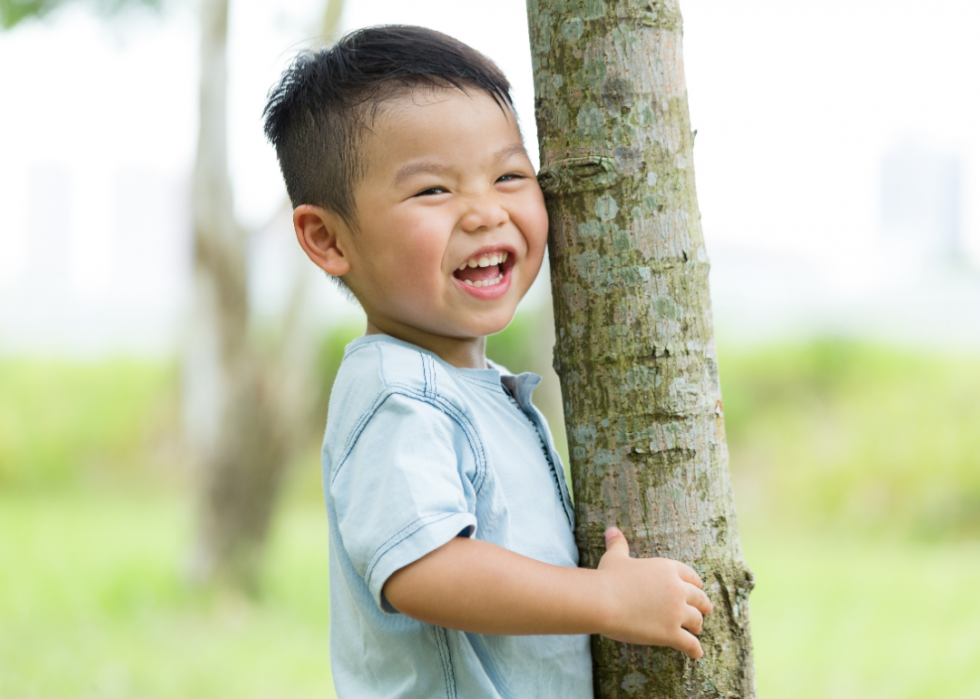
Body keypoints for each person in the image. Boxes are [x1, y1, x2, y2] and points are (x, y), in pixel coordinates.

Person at [263, 25, 713, 698]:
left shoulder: (472, 385)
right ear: (327, 237)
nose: (484, 212)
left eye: (509, 176)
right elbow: (425, 568)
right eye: (433, 192)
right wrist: (606, 599)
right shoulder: (396, 390)